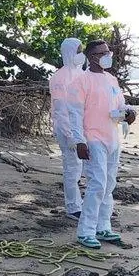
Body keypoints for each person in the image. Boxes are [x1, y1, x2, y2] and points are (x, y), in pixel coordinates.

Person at [68, 40, 136, 249]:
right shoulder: (81, 81)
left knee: (109, 184)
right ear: (91, 57)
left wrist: (128, 114)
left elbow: (119, 105)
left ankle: (103, 226)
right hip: (92, 138)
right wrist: (79, 141)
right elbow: (75, 113)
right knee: (97, 184)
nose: (107, 56)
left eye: (108, 52)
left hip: (112, 138)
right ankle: (86, 231)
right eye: (102, 53)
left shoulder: (112, 80)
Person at [50, 38, 85, 221]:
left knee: (82, 169)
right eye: (78, 50)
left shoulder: (81, 74)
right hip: (68, 131)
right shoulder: (60, 77)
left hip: (82, 128)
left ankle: (82, 203)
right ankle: (73, 207)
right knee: (72, 168)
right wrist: (70, 135)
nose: (81, 54)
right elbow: (60, 110)